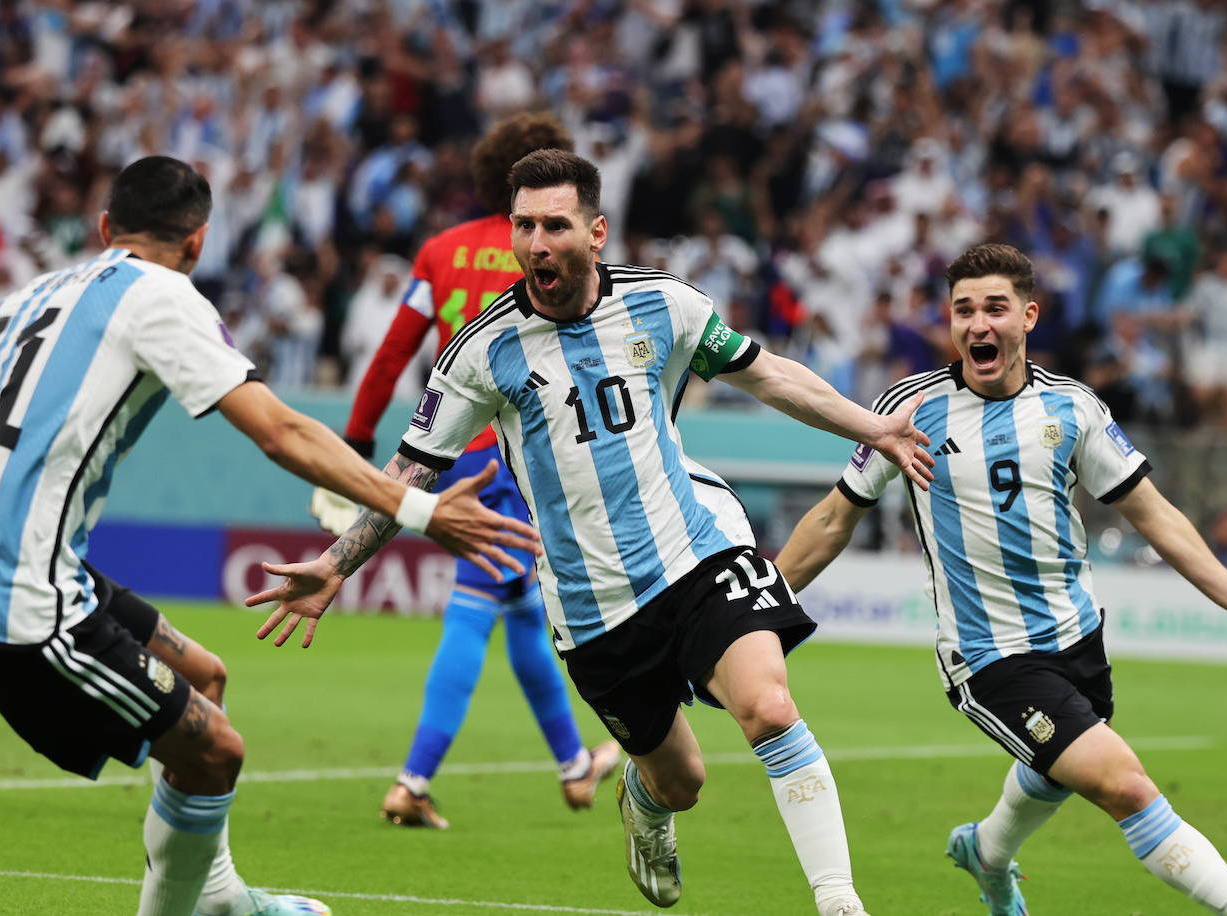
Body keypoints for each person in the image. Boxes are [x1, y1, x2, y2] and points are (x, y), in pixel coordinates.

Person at [249, 149, 936, 916]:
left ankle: (839, 903)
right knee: (682, 780)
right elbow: (410, 470)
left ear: (597, 232)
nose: (537, 244)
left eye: (555, 226)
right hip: (591, 607)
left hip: (694, 552)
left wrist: (874, 427)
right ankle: (645, 804)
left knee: (770, 708)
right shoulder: (482, 351)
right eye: (524, 227)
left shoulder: (665, 305)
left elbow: (768, 372)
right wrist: (339, 563)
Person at [0, 156, 538, 916]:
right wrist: (417, 509)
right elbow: (279, 430)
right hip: (14, 595)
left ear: (104, 228)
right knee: (218, 750)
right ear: (197, 244)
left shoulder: (25, 296)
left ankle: (217, 894)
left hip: (2, 560)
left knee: (206, 681)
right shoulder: (161, 294)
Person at [775, 243, 1227, 916]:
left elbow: (1155, 516)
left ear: (1028, 316)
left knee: (1055, 769)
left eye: (995, 309)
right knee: (1124, 784)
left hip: (1078, 637)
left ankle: (987, 852)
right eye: (963, 310)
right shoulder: (909, 410)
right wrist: (754, 614)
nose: (978, 325)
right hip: (989, 657)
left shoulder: (1073, 410)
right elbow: (833, 521)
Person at [310, 112, 620, 829]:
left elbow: (392, 353)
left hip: (452, 455)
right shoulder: (565, 246)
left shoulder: (441, 251)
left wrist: (357, 443)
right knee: (480, 606)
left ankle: (574, 767)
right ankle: (412, 781)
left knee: (516, 610)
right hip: (527, 454)